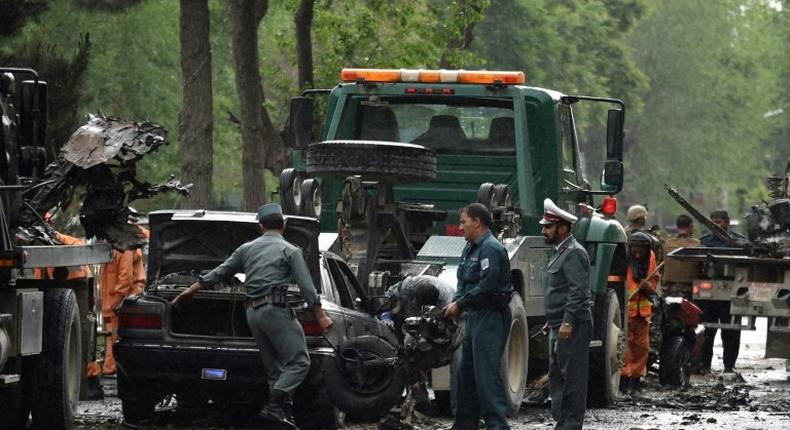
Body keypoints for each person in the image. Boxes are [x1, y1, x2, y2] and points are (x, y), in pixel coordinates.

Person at [170, 203, 333, 427]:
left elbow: (219, 273)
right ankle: (274, 406)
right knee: (299, 362)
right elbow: (307, 287)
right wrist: (321, 316)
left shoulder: (246, 249)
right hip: (275, 311)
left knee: (274, 368)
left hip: (252, 313)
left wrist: (186, 293)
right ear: (284, 225)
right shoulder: (290, 250)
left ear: (260, 226)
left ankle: (280, 416)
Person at [443, 203, 511, 430]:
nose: (460, 227)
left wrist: (460, 304)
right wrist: (457, 304)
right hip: (474, 316)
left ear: (477, 222)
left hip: (490, 316)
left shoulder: (490, 248)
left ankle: (497, 425)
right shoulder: (470, 249)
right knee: (467, 375)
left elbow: (488, 285)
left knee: (486, 375)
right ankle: (464, 425)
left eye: (463, 222)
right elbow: (463, 282)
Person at [540, 198, 591, 430]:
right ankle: (563, 423)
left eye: (548, 227)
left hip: (572, 325)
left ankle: (571, 425)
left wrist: (568, 321)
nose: (544, 230)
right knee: (557, 376)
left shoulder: (573, 253)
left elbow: (577, 291)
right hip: (557, 323)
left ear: (562, 228)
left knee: (572, 379)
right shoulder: (560, 251)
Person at [699, 209, 745, 373]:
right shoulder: (704, 241)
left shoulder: (739, 241)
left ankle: (729, 365)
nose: (717, 224)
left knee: (731, 330)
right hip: (709, 291)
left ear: (727, 222)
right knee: (707, 330)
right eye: (714, 221)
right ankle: (704, 365)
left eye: (720, 221)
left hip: (732, 290)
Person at [620, 232, 659, 394]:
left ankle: (635, 382)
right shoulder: (623, 257)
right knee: (625, 348)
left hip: (642, 312)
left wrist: (648, 287)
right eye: (634, 250)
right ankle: (622, 381)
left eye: (640, 251)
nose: (637, 253)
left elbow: (654, 278)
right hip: (626, 310)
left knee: (641, 348)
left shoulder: (650, 256)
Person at [661, 214, 700, 299]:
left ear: (678, 226)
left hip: (667, 288)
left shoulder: (668, 243)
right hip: (687, 288)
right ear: (691, 226)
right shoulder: (696, 244)